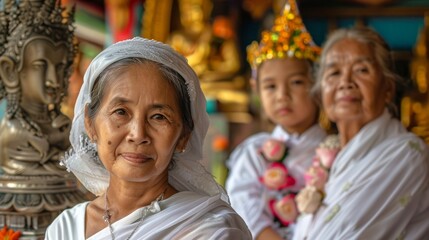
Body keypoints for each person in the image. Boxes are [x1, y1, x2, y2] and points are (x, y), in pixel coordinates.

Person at [45, 37, 252, 239]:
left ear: (183, 136)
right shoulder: (65, 228)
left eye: (159, 117)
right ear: (90, 124)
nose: (138, 135)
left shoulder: (210, 229)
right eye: (120, 112)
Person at [293, 26, 429, 240]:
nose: (345, 82)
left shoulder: (406, 154)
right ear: (321, 93)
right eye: (334, 72)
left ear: (387, 89)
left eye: (362, 70)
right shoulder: (329, 157)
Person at [225, 1, 327, 239]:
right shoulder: (254, 152)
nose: (282, 96)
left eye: (296, 83)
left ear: (318, 87)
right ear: (257, 91)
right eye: (270, 86)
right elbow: (241, 204)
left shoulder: (337, 151)